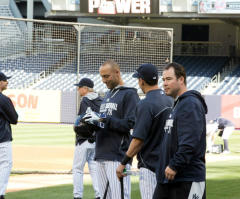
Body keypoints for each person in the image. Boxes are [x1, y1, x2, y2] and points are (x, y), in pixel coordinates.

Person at [84, 60, 140, 199]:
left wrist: (104, 119)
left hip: (118, 156)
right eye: (102, 76)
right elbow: (104, 123)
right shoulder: (107, 95)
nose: (103, 80)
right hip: (101, 153)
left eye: (106, 76)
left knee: (119, 196)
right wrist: (91, 126)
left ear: (117, 73)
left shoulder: (130, 94)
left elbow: (131, 123)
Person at [116, 63, 173, 199]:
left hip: (150, 165)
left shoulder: (145, 103)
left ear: (141, 80)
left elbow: (138, 140)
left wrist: (123, 162)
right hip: (169, 164)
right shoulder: (170, 99)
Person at [153, 62, 208, 199]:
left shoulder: (190, 103)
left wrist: (174, 165)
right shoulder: (178, 104)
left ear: (181, 79)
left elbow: (190, 142)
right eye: (163, 80)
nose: (164, 83)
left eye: (169, 79)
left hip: (186, 178)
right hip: (170, 178)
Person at [72, 78, 101, 199]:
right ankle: (99, 195)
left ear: (85, 88)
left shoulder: (84, 100)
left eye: (79, 87)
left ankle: (77, 196)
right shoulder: (101, 99)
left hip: (84, 140)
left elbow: (82, 121)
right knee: (94, 169)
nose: (78, 89)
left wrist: (76, 125)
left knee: (78, 169)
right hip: (96, 141)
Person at [0, 72, 18, 199]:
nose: (7, 82)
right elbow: (14, 119)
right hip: (2, 138)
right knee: (6, 164)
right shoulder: (4, 100)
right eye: (5, 80)